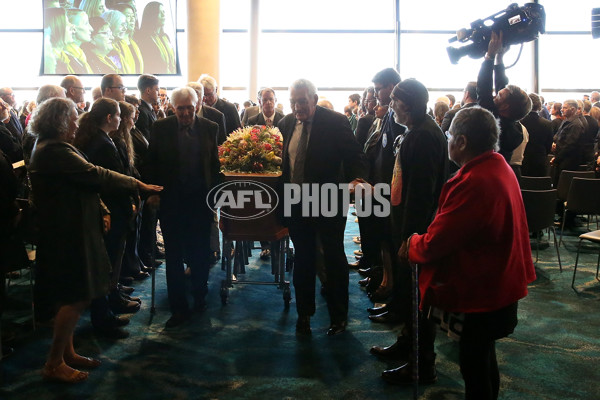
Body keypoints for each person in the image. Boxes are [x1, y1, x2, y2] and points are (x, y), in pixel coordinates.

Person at [404, 106, 535, 399]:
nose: (448, 140)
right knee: (484, 358)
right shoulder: (499, 165)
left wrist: (412, 244)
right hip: (499, 280)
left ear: (461, 142)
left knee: (474, 364)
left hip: (482, 288)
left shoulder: (474, 181)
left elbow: (439, 240)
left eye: (450, 135)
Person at [28, 97, 161, 383]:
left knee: (72, 294)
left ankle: (67, 353)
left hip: (71, 227)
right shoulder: (54, 150)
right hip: (67, 231)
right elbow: (95, 174)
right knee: (76, 296)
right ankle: (53, 362)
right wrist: (137, 184)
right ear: (60, 121)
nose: (78, 121)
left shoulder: (54, 147)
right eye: (74, 116)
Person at [277, 78, 367, 336]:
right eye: (293, 102)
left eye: (302, 102)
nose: (297, 107)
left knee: (334, 257)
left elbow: (356, 157)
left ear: (315, 99)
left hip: (329, 200)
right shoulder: (285, 124)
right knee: (303, 259)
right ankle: (304, 313)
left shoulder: (336, 122)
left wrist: (357, 180)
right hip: (296, 203)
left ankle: (339, 317)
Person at [143, 87, 220, 328]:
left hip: (200, 201)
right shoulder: (160, 128)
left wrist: (216, 196)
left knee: (200, 253)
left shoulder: (210, 127)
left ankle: (200, 297)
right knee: (174, 257)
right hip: (171, 202)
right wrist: (152, 193)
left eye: (189, 108)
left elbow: (214, 165)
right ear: (172, 108)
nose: (185, 113)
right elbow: (151, 163)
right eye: (180, 109)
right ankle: (178, 308)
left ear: (197, 106)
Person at [73, 98, 142, 335]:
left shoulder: (103, 139)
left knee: (112, 261)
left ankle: (111, 303)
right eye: (118, 115)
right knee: (107, 264)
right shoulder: (102, 143)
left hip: (112, 208)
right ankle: (103, 317)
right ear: (109, 118)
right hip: (111, 210)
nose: (121, 119)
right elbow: (111, 180)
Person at [477, 31, 532, 162]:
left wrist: (490, 56)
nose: (495, 95)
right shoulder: (514, 129)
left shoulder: (493, 123)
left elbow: (483, 89)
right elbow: (502, 85)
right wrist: (499, 57)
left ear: (505, 106)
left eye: (499, 96)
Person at [136, 1, 176, 74]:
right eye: (159, 12)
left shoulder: (165, 37)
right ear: (152, 15)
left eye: (164, 12)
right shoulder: (143, 38)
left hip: (171, 76)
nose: (163, 15)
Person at [65, 8, 94, 74]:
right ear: (73, 28)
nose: (91, 29)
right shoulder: (66, 58)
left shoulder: (80, 54)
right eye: (86, 23)